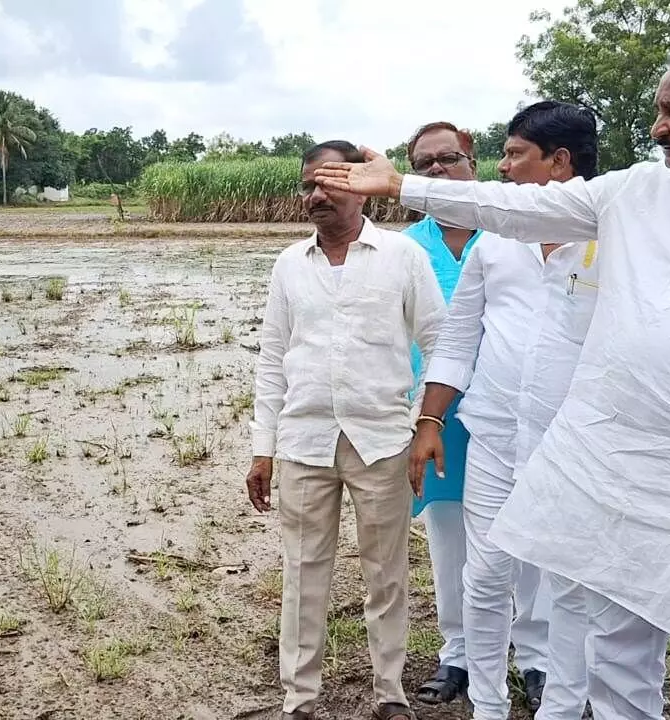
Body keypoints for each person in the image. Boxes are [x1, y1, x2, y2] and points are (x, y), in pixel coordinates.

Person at [315, 46, 670, 720]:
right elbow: (509, 208)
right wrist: (401, 187)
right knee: (617, 645)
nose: (658, 127)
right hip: (618, 465)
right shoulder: (632, 193)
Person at [408, 101, 598, 720]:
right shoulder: (497, 244)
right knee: (485, 573)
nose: (503, 166)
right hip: (491, 432)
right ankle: (488, 705)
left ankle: (559, 702)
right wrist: (431, 420)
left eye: (515, 155)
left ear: (559, 162)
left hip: (575, 443)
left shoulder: (614, 237)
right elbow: (459, 339)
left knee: (568, 584)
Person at [245, 140, 446, 720]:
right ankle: (300, 698)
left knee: (386, 574)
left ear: (358, 186)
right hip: (304, 444)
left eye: (328, 183)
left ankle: (390, 692)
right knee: (303, 573)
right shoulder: (289, 264)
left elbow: (438, 341)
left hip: (382, 442)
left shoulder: (401, 257)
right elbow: (271, 357)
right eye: (308, 185)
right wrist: (264, 450)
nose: (316, 196)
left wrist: (423, 421)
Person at [398, 121, 480, 708]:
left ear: (473, 160)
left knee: (520, 536)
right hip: (434, 413)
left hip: (511, 409)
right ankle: (459, 651)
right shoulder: (403, 248)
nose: (436, 172)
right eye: (423, 164)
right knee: (448, 534)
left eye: (447, 159)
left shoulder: (515, 234)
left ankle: (534, 655)